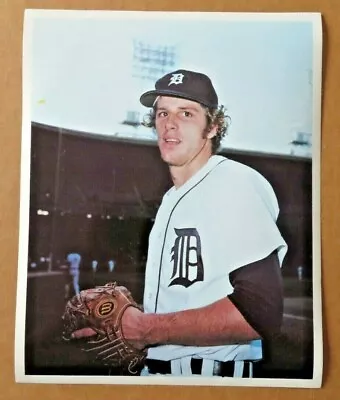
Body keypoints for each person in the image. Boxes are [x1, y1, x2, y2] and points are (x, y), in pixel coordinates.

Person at [73, 69, 287, 378]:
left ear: (212, 126)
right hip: (165, 375)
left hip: (210, 379)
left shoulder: (233, 181)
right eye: (162, 113)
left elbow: (261, 313)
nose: (169, 123)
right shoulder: (172, 199)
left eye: (186, 113)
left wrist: (144, 329)